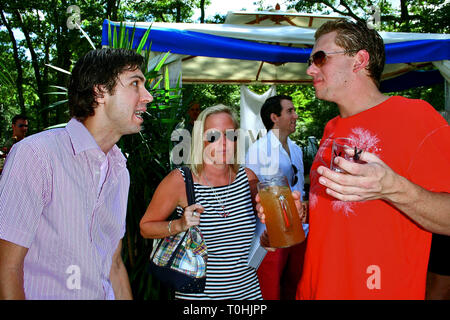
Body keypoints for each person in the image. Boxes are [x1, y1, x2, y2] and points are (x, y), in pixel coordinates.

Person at [258, 19, 450, 299]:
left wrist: (394, 188)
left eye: (320, 58)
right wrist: (294, 217)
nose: (310, 69)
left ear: (359, 60)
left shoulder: (417, 118)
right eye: (311, 61)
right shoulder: (331, 129)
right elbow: (340, 217)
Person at [0, 48, 153, 299]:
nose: (147, 96)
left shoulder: (119, 171)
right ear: (100, 91)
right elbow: (6, 267)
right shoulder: (36, 155)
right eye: (135, 83)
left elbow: (113, 265)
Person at [140, 104, 263, 300]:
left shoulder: (247, 179)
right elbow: (146, 228)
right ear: (200, 140)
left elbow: (261, 235)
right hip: (200, 298)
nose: (223, 143)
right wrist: (180, 224)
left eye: (230, 135)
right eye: (213, 136)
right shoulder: (180, 181)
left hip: (247, 294)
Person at [245, 95, 308, 300]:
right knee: (270, 290)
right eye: (290, 111)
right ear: (274, 117)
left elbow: (300, 189)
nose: (295, 116)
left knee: (296, 287)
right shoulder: (257, 150)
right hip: (271, 236)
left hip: (301, 233)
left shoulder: (297, 149)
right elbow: (249, 191)